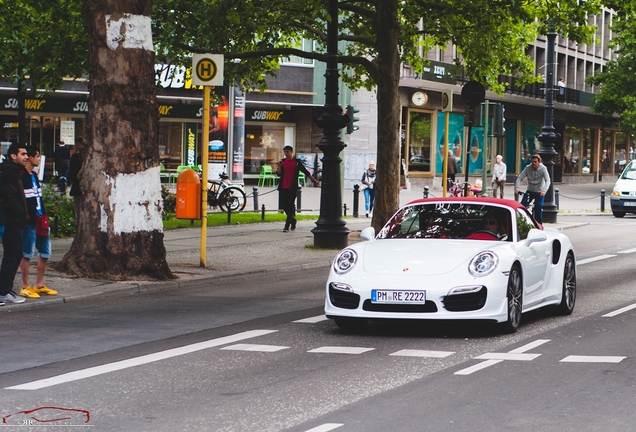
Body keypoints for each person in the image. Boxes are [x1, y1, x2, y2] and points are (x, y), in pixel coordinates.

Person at [18, 146, 57, 299]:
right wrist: (27, 216)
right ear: (31, 158)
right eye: (37, 156)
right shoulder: (22, 176)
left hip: (41, 218)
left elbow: (38, 198)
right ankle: (25, 285)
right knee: (27, 253)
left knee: (45, 252)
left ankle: (39, 284)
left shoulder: (34, 175)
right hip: (30, 220)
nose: (39, 159)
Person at [0, 142, 28, 305]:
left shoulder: (14, 171)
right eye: (23, 154)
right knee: (12, 255)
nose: (26, 157)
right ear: (13, 156)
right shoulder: (9, 172)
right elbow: (9, 196)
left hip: (15, 219)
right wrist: (21, 212)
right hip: (11, 220)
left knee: (16, 254)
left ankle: (5, 290)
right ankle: (3, 291)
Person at [277, 145, 319, 232]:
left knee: (290, 205)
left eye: (287, 152)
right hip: (283, 187)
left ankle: (286, 226)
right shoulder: (283, 161)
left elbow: (306, 172)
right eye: (284, 152)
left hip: (292, 187)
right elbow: (278, 174)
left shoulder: (296, 162)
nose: (286, 154)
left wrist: (315, 180)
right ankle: (293, 220)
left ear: (291, 152)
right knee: (284, 206)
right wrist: (279, 166)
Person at [515, 154, 551, 223]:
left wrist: (544, 190)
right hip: (530, 191)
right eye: (532, 162)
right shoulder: (528, 168)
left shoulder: (543, 168)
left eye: (535, 162)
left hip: (540, 192)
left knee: (538, 206)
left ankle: (538, 224)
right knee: (521, 206)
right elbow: (519, 178)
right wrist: (517, 188)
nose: (533, 163)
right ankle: (520, 222)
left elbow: (548, 180)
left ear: (539, 162)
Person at [68, 136, 84, 223]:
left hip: (78, 188)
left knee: (79, 212)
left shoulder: (75, 157)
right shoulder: (92, 156)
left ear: (78, 144)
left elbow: (71, 173)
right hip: (91, 190)